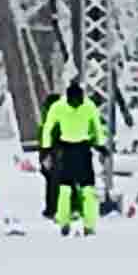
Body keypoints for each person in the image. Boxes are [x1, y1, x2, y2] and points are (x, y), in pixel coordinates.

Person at [39, 76, 106, 234]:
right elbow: (97, 128)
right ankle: (83, 224)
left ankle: (70, 222)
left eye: (78, 102)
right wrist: (100, 144)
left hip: (74, 151)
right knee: (74, 189)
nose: (76, 105)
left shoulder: (64, 107)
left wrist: (46, 148)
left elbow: (97, 126)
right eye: (73, 102)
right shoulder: (75, 106)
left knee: (75, 189)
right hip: (75, 150)